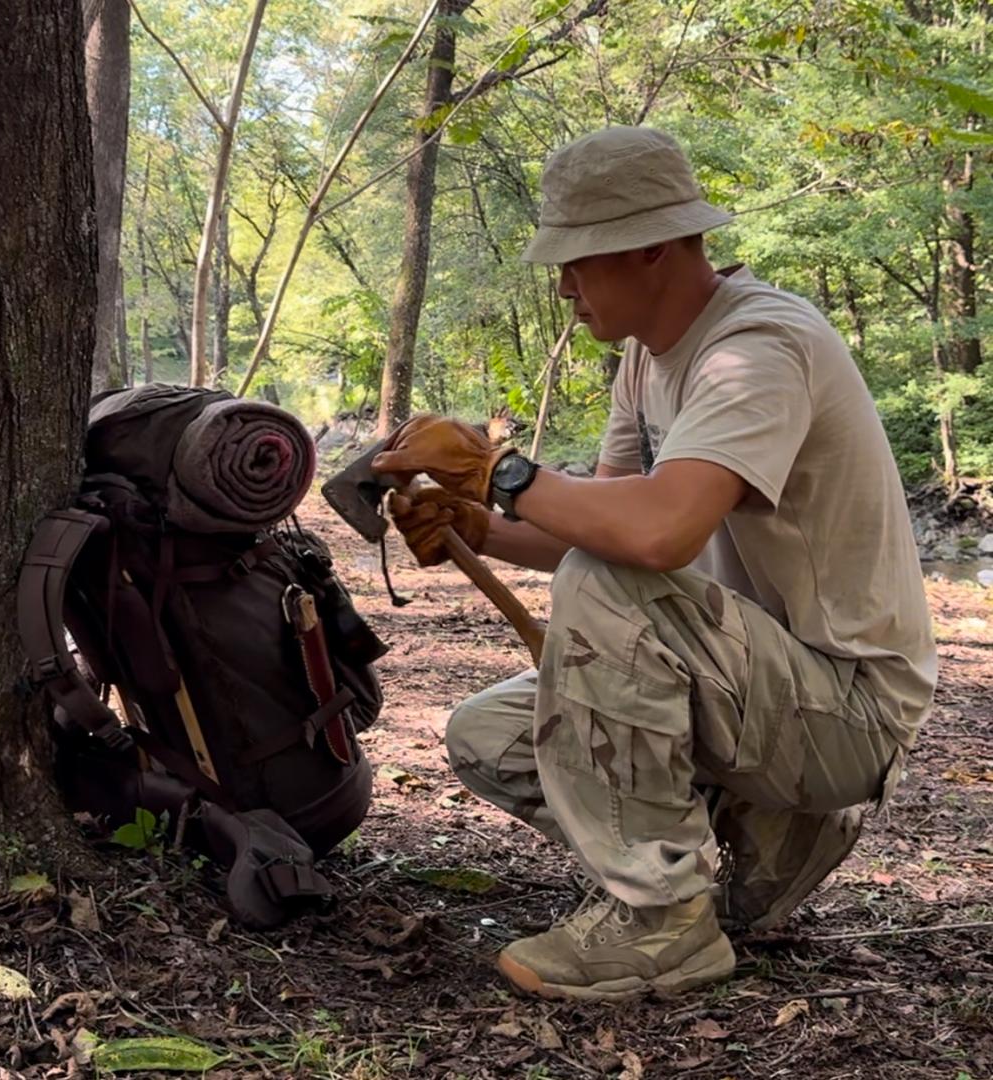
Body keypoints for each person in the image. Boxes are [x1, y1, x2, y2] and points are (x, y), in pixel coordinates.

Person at [371, 126, 937, 1001]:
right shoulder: (645, 359)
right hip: (748, 688)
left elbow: (658, 537)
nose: (561, 285)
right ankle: (759, 846)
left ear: (653, 249)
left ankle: (663, 923)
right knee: (488, 736)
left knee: (606, 587)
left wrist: (502, 471)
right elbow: (595, 528)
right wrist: (477, 527)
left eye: (578, 260)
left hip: (846, 708)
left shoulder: (758, 348)